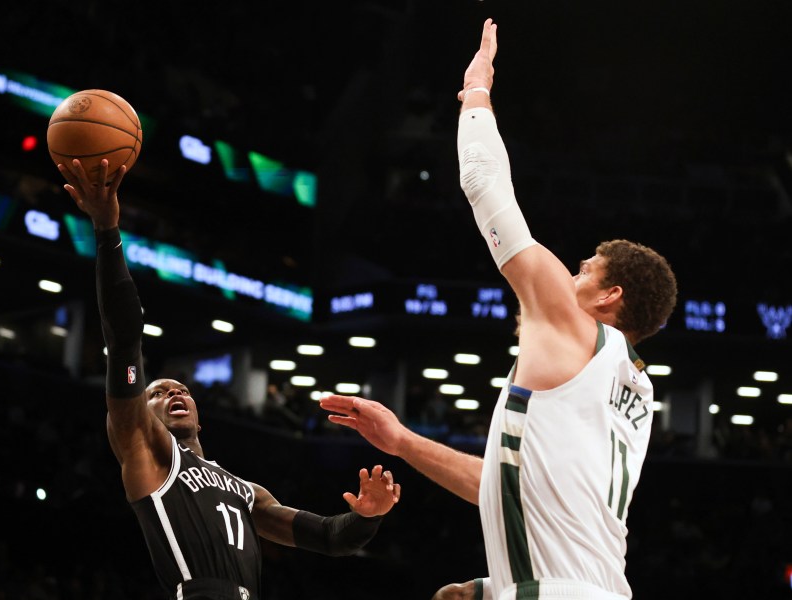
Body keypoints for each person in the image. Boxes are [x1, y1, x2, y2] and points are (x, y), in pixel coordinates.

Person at [320, 18, 677, 600]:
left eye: (586, 269)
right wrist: (404, 442)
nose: (569, 272)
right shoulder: (634, 390)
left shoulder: (575, 326)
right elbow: (507, 485)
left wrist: (477, 89)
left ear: (610, 298)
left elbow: (484, 182)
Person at [57, 158, 401, 600]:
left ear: (201, 421)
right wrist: (107, 233)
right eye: (157, 393)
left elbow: (333, 537)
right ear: (139, 415)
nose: (174, 391)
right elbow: (124, 338)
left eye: (180, 389)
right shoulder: (145, 447)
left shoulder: (246, 491)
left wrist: (369, 515)